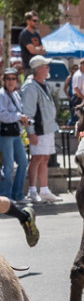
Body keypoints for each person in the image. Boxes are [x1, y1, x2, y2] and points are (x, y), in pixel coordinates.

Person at [20, 55, 62, 204]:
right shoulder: (30, 86)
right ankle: (32, 191)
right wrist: (31, 133)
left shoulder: (43, 83)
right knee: (37, 158)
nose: (48, 68)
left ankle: (44, 190)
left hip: (48, 129)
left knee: (44, 158)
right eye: (45, 66)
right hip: (38, 130)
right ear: (38, 69)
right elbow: (28, 112)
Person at [0, 68, 30, 204]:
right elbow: (2, 115)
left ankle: (18, 194)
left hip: (16, 133)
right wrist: (19, 116)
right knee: (8, 165)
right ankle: (5, 196)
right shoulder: (1, 95)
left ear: (17, 80)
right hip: (5, 134)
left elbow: (17, 113)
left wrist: (23, 119)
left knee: (23, 162)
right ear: (4, 80)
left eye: (13, 78)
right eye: (8, 79)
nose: (11, 81)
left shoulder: (16, 95)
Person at [69, 58, 84, 128]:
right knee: (77, 118)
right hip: (78, 98)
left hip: (82, 98)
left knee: (83, 117)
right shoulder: (78, 75)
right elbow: (76, 89)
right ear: (81, 65)